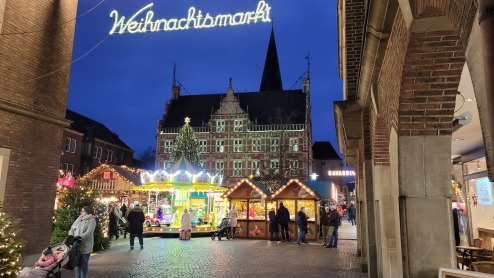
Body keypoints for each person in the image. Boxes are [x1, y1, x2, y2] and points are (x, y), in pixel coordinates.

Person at [69, 206, 96, 278]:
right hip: (76, 246)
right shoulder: (79, 219)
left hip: (85, 246)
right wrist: (71, 237)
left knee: (83, 265)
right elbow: (72, 228)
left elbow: (89, 232)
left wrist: (79, 237)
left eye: (82, 211)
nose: (81, 212)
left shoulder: (91, 220)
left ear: (87, 212)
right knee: (77, 265)